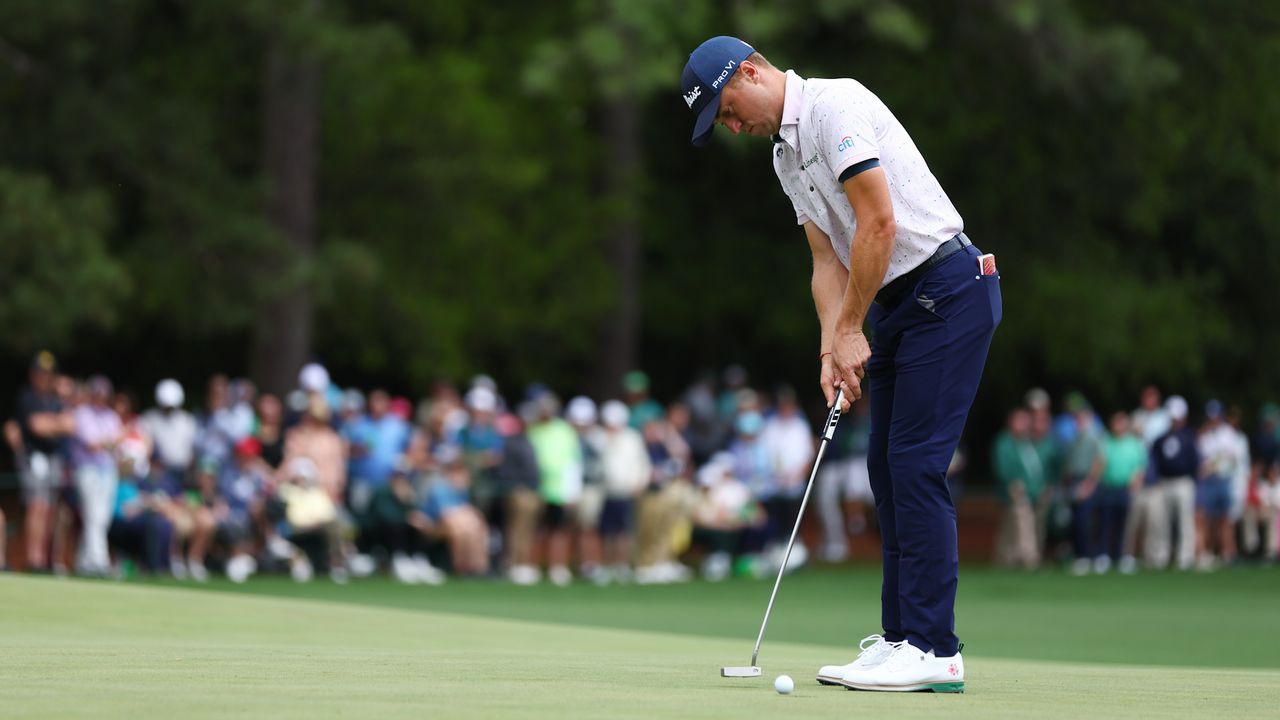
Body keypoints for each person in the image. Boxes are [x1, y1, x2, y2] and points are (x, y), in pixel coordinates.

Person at [683, 36, 999, 691]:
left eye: (728, 108)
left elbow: (879, 224)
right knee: (884, 469)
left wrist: (853, 325)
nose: (733, 126)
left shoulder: (835, 107)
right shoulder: (783, 157)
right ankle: (901, 637)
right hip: (892, 300)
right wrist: (833, 343)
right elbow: (827, 261)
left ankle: (936, 649)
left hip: (948, 286)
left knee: (914, 464)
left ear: (752, 71)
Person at [72, 376, 123, 576]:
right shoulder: (82, 414)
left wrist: (107, 443)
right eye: (97, 393)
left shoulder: (111, 416)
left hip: (108, 471)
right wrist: (108, 442)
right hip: (88, 470)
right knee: (93, 515)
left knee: (103, 518)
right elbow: (91, 444)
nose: (100, 397)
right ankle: (99, 560)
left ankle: (84, 561)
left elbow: (116, 442)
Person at [596, 400, 650, 584]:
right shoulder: (599, 437)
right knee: (607, 532)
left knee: (625, 531)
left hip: (627, 492)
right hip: (605, 492)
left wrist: (639, 484)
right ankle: (607, 565)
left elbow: (642, 464)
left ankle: (623, 565)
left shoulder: (632, 438)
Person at [991, 408, 1046, 570]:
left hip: (1034, 490)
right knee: (1023, 522)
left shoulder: (1028, 442)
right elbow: (1002, 467)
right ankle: (1030, 558)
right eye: (1020, 420)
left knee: (1011, 526)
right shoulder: (1004, 442)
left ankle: (1004, 558)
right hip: (1014, 489)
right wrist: (1014, 484)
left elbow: (1035, 468)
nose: (1024, 424)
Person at [1151, 396, 1199, 571]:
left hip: (1183, 482)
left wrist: (1194, 481)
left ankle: (1185, 557)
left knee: (1185, 522)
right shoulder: (1160, 439)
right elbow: (1154, 462)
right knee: (1161, 522)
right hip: (1165, 483)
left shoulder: (1189, 437)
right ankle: (1161, 557)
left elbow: (1194, 462)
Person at [1095, 412, 1146, 572]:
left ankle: (1124, 555)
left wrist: (1136, 482)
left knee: (1125, 525)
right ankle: (1104, 555)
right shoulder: (1107, 442)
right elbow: (1100, 463)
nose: (1118, 426)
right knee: (1106, 523)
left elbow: (1141, 466)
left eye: (1121, 422)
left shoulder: (1134, 443)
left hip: (1126, 489)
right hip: (1109, 487)